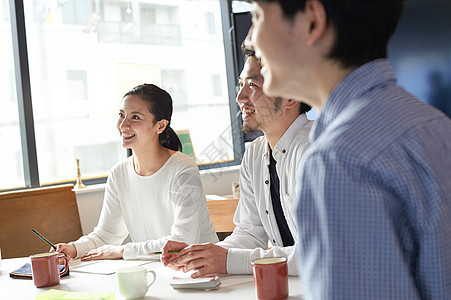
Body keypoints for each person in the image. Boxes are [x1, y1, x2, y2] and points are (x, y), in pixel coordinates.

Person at [249, 0, 451, 299]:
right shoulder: (434, 124)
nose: (251, 37)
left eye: (258, 15)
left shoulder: (337, 161)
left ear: (312, 22)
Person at [160, 44, 313, 277]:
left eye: (253, 85)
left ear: (290, 96)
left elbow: (318, 254)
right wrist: (202, 255)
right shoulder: (255, 154)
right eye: (241, 85)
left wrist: (229, 260)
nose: (239, 97)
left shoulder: (314, 152)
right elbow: (250, 233)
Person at [54, 84, 218, 260]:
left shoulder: (183, 169)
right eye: (121, 115)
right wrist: (73, 249)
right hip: (154, 271)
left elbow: (181, 242)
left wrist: (123, 251)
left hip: (201, 271)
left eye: (136, 117)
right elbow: (106, 235)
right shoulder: (118, 174)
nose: (124, 125)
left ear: (160, 126)